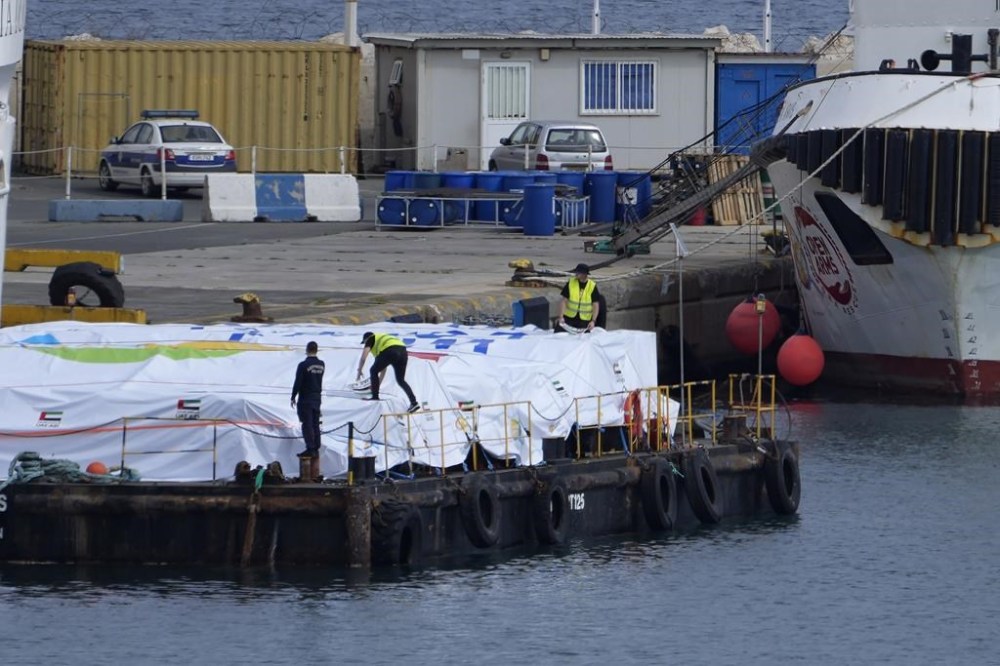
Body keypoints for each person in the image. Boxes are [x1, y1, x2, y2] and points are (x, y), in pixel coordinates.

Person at [357, 331, 420, 413]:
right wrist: (376, 385)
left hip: (390, 351)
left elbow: (363, 357)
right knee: (401, 380)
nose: (365, 344)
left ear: (366, 339)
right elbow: (383, 370)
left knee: (373, 370)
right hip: (403, 351)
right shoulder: (383, 340)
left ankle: (375, 397)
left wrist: (359, 370)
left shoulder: (371, 339)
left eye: (364, 343)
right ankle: (414, 403)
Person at [290, 340, 325, 457]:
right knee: (315, 423)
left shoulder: (303, 365)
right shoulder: (321, 364)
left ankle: (310, 448)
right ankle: (316, 446)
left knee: (307, 423)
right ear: (316, 350)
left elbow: (298, 381)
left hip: (306, 398)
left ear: (306, 350)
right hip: (317, 397)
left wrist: (293, 395)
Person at [556, 263, 601, 333]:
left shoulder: (592, 286)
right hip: (569, 318)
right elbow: (564, 301)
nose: (576, 274)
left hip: (584, 320)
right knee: (558, 333)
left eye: (578, 272)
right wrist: (561, 317)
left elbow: (595, 305)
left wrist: (593, 321)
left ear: (584, 274)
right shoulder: (571, 282)